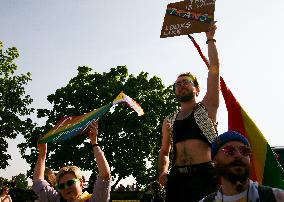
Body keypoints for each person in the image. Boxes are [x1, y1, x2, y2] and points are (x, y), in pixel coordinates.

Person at [158, 24, 220, 202]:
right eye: (177, 84)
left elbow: (214, 69)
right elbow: (164, 152)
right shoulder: (169, 120)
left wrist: (210, 39)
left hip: (206, 177)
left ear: (197, 89)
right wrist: (162, 172)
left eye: (186, 82)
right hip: (177, 179)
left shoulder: (207, 107)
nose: (181, 85)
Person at [32, 121, 111, 202]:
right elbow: (38, 181)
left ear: (81, 182)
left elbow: (105, 176)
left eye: (70, 183)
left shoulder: (95, 200)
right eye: (61, 186)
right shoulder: (56, 199)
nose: (66, 187)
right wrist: (42, 154)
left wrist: (94, 143)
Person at [200, 131, 284, 202]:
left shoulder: (277, 197)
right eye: (229, 150)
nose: (239, 155)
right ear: (215, 160)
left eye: (244, 150)